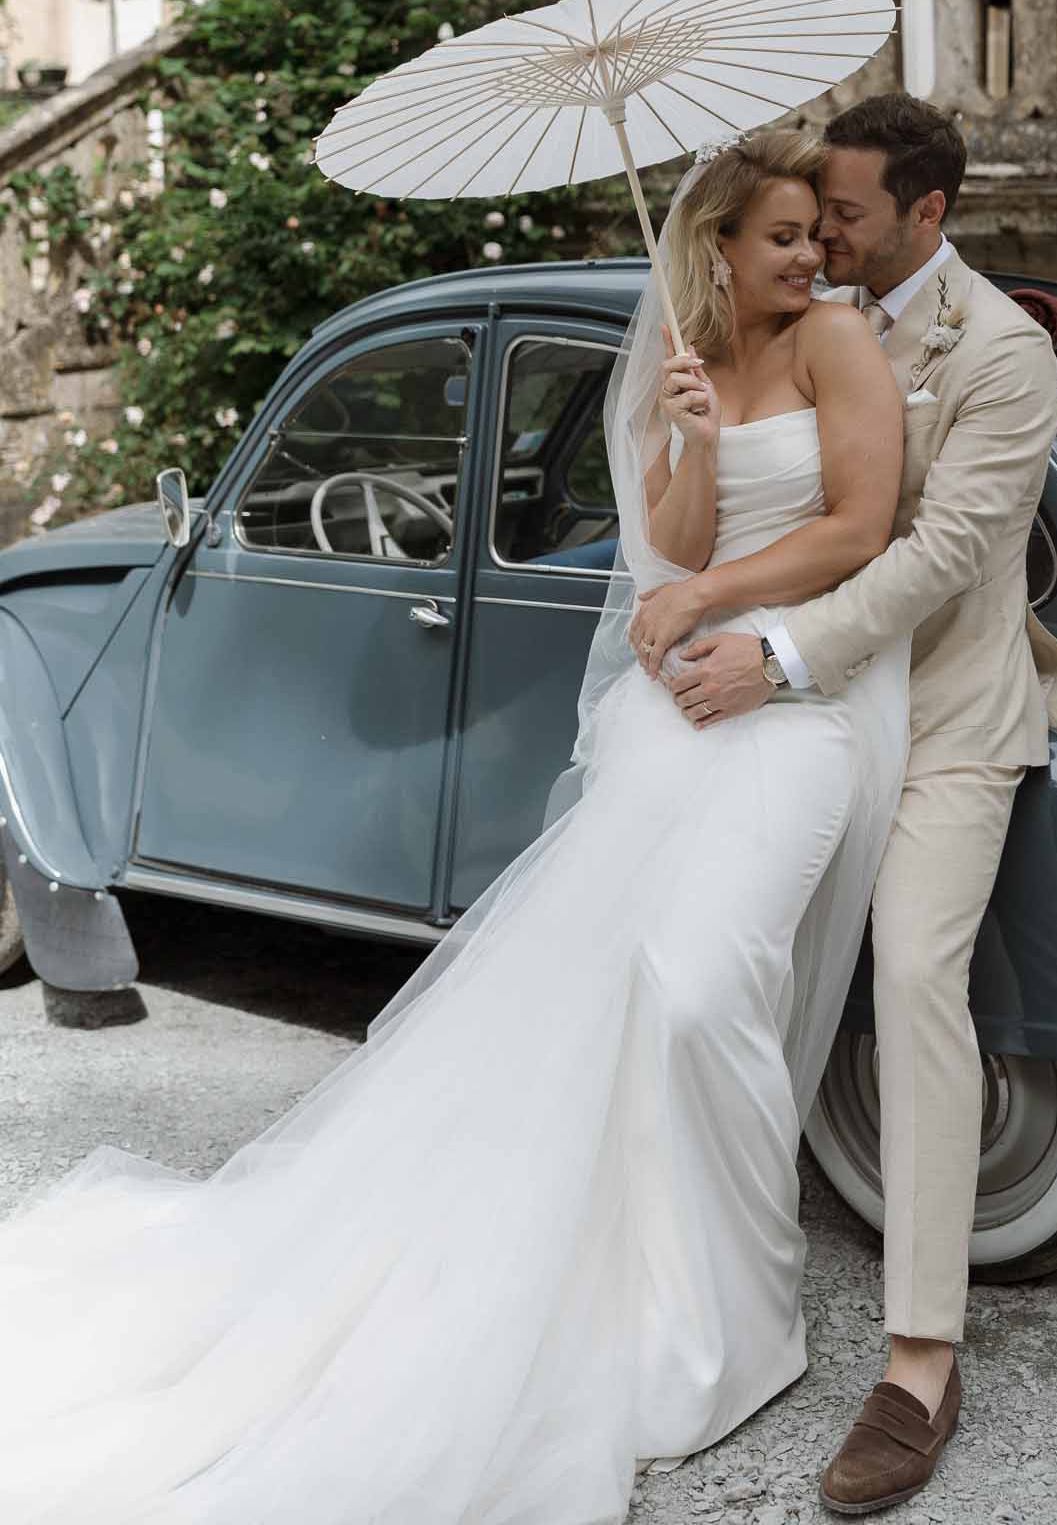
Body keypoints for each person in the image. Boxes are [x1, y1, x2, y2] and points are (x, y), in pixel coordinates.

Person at [0, 130, 915, 1525]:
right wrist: (692, 438)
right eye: (781, 238)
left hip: (799, 702)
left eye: (811, 234)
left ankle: (741, 1300)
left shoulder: (837, 340)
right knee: (605, 989)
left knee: (699, 983)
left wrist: (706, 597)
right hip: (673, 708)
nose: (811, 256)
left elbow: (861, 524)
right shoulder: (676, 361)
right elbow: (670, 544)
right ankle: (636, 1270)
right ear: (718, 247)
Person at [631, 92, 1057, 1516]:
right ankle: (694, 1261)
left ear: (925, 214)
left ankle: (918, 1365)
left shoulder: (999, 349)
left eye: (843, 214)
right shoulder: (788, 315)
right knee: (691, 959)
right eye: (806, 212)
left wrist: (776, 652)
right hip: (788, 700)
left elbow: (943, 552)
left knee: (915, 973)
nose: (819, 234)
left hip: (939, 709)